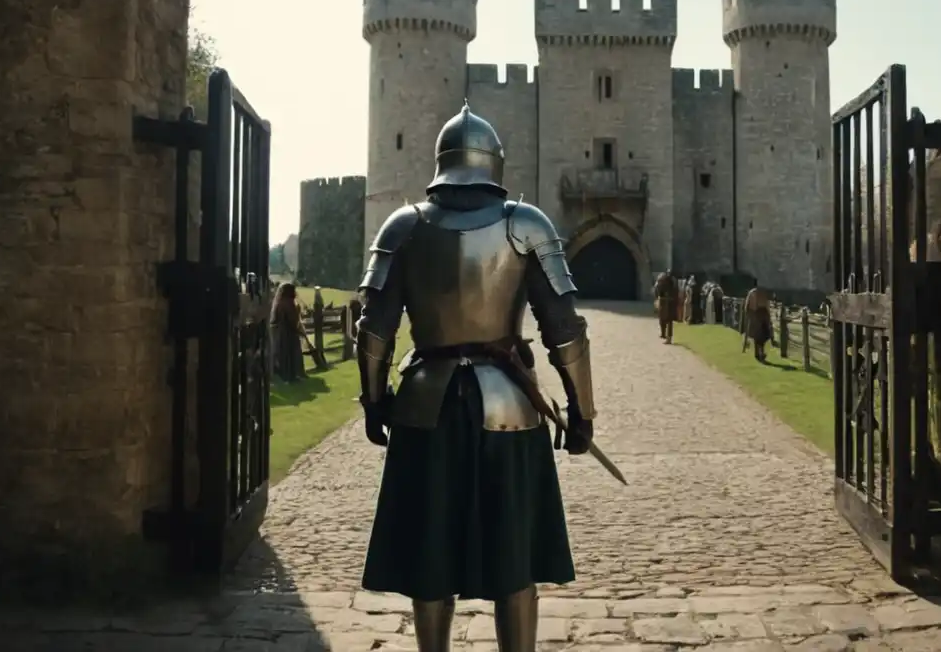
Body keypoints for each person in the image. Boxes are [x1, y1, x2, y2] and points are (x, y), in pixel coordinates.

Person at [354, 103, 596, 652]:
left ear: (442, 162)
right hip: (508, 406)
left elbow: (375, 332)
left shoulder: (405, 226)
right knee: (514, 556)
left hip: (424, 408)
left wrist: (374, 402)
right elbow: (565, 330)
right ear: (495, 164)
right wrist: (582, 411)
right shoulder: (526, 224)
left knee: (430, 553)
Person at [269, 282, 306, 381]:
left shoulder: (279, 302)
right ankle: (291, 376)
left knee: (283, 355)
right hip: (288, 332)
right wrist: (297, 312)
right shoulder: (288, 303)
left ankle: (285, 375)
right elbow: (292, 320)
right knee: (290, 354)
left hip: (280, 333)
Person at [741, 286, 773, 363]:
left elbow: (747, 306)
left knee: (760, 336)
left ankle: (759, 354)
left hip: (759, 315)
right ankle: (759, 354)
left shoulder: (756, 293)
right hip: (757, 315)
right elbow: (766, 305)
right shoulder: (755, 293)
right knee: (759, 336)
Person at [653, 270, 677, 344]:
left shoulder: (669, 282)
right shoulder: (670, 282)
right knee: (664, 319)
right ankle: (664, 335)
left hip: (666, 302)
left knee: (667, 320)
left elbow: (656, 290)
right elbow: (657, 290)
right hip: (666, 302)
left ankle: (667, 337)